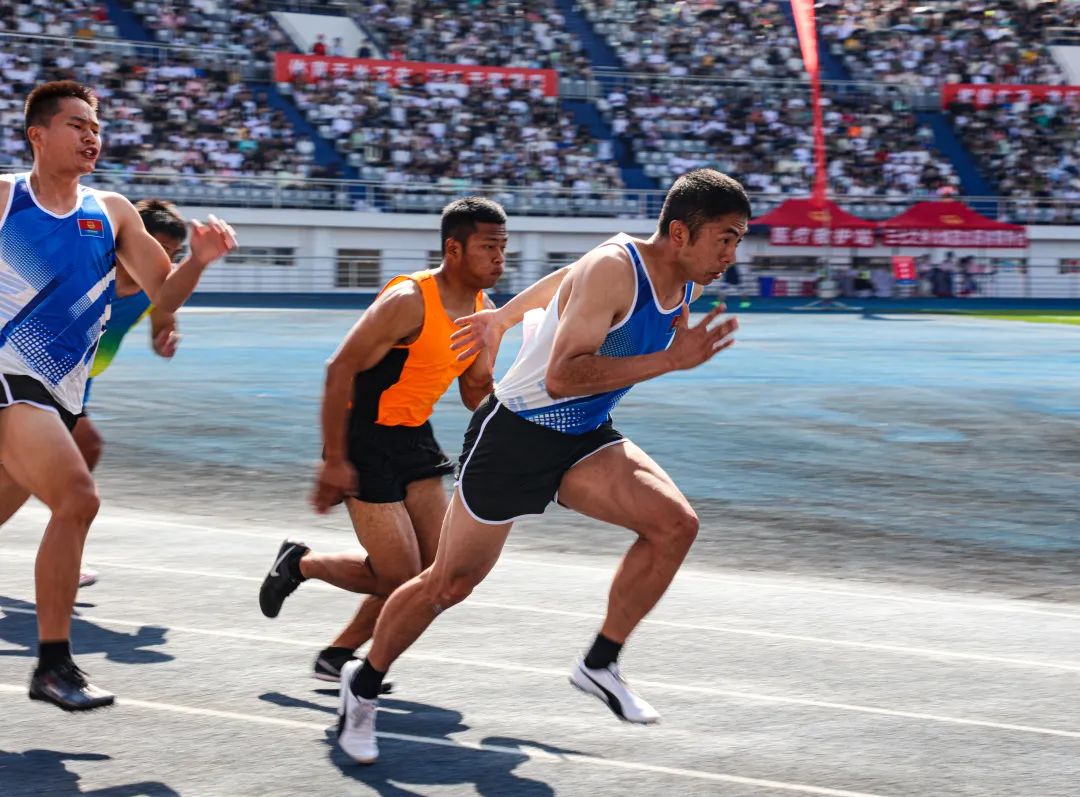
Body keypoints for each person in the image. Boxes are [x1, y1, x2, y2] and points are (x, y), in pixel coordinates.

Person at [335, 168, 747, 764]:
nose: (732, 255)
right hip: (516, 438)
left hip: (582, 437)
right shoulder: (618, 267)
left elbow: (565, 278)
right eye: (726, 238)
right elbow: (562, 376)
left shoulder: (680, 279)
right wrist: (669, 359)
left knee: (675, 525)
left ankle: (599, 663)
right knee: (448, 584)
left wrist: (502, 318)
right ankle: (363, 684)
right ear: (680, 232)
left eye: (738, 239)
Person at [258, 198, 567, 683]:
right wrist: (335, 460)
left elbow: (472, 393)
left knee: (441, 570)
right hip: (362, 438)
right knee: (398, 574)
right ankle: (301, 565)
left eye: (504, 248)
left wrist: (499, 353)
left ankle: (337, 655)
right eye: (489, 247)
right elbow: (339, 369)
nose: (500, 258)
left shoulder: (483, 309)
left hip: (413, 439)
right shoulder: (409, 301)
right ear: (454, 248)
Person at [0, 81, 236, 711]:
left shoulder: (113, 211)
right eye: (76, 124)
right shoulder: (4, 198)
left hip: (61, 393)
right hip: (7, 380)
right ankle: (53, 666)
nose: (91, 136)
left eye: (96, 126)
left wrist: (201, 261)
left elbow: (164, 294)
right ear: (38, 136)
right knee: (78, 499)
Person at [0, 199, 188, 591]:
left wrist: (165, 338)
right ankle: (66, 546)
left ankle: (65, 546)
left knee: (52, 463)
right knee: (66, 459)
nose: (163, 259)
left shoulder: (155, 288)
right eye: (158, 247)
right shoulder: (86, 268)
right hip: (34, 375)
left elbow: (163, 323)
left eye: (173, 253)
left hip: (76, 382)